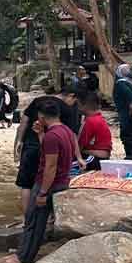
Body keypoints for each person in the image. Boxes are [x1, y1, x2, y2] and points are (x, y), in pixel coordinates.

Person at [6, 101, 79, 263]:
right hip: (62, 180)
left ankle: (23, 257)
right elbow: (50, 152)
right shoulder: (65, 131)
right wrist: (40, 134)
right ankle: (25, 253)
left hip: (48, 183)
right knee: (38, 220)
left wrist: (42, 193)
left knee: (33, 221)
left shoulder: (53, 136)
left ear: (41, 116)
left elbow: (50, 166)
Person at [15, 87, 81, 215]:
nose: (74, 104)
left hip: (30, 147)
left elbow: (24, 122)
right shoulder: (66, 109)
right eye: (75, 101)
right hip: (51, 149)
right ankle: (48, 216)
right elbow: (72, 134)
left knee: (26, 184)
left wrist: (19, 141)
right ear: (70, 96)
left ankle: (26, 217)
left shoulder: (37, 101)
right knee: (49, 181)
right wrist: (78, 156)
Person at [77, 91, 112, 170]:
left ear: (84, 106)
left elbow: (80, 145)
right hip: (101, 157)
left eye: (78, 105)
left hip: (95, 158)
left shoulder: (90, 121)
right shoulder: (99, 118)